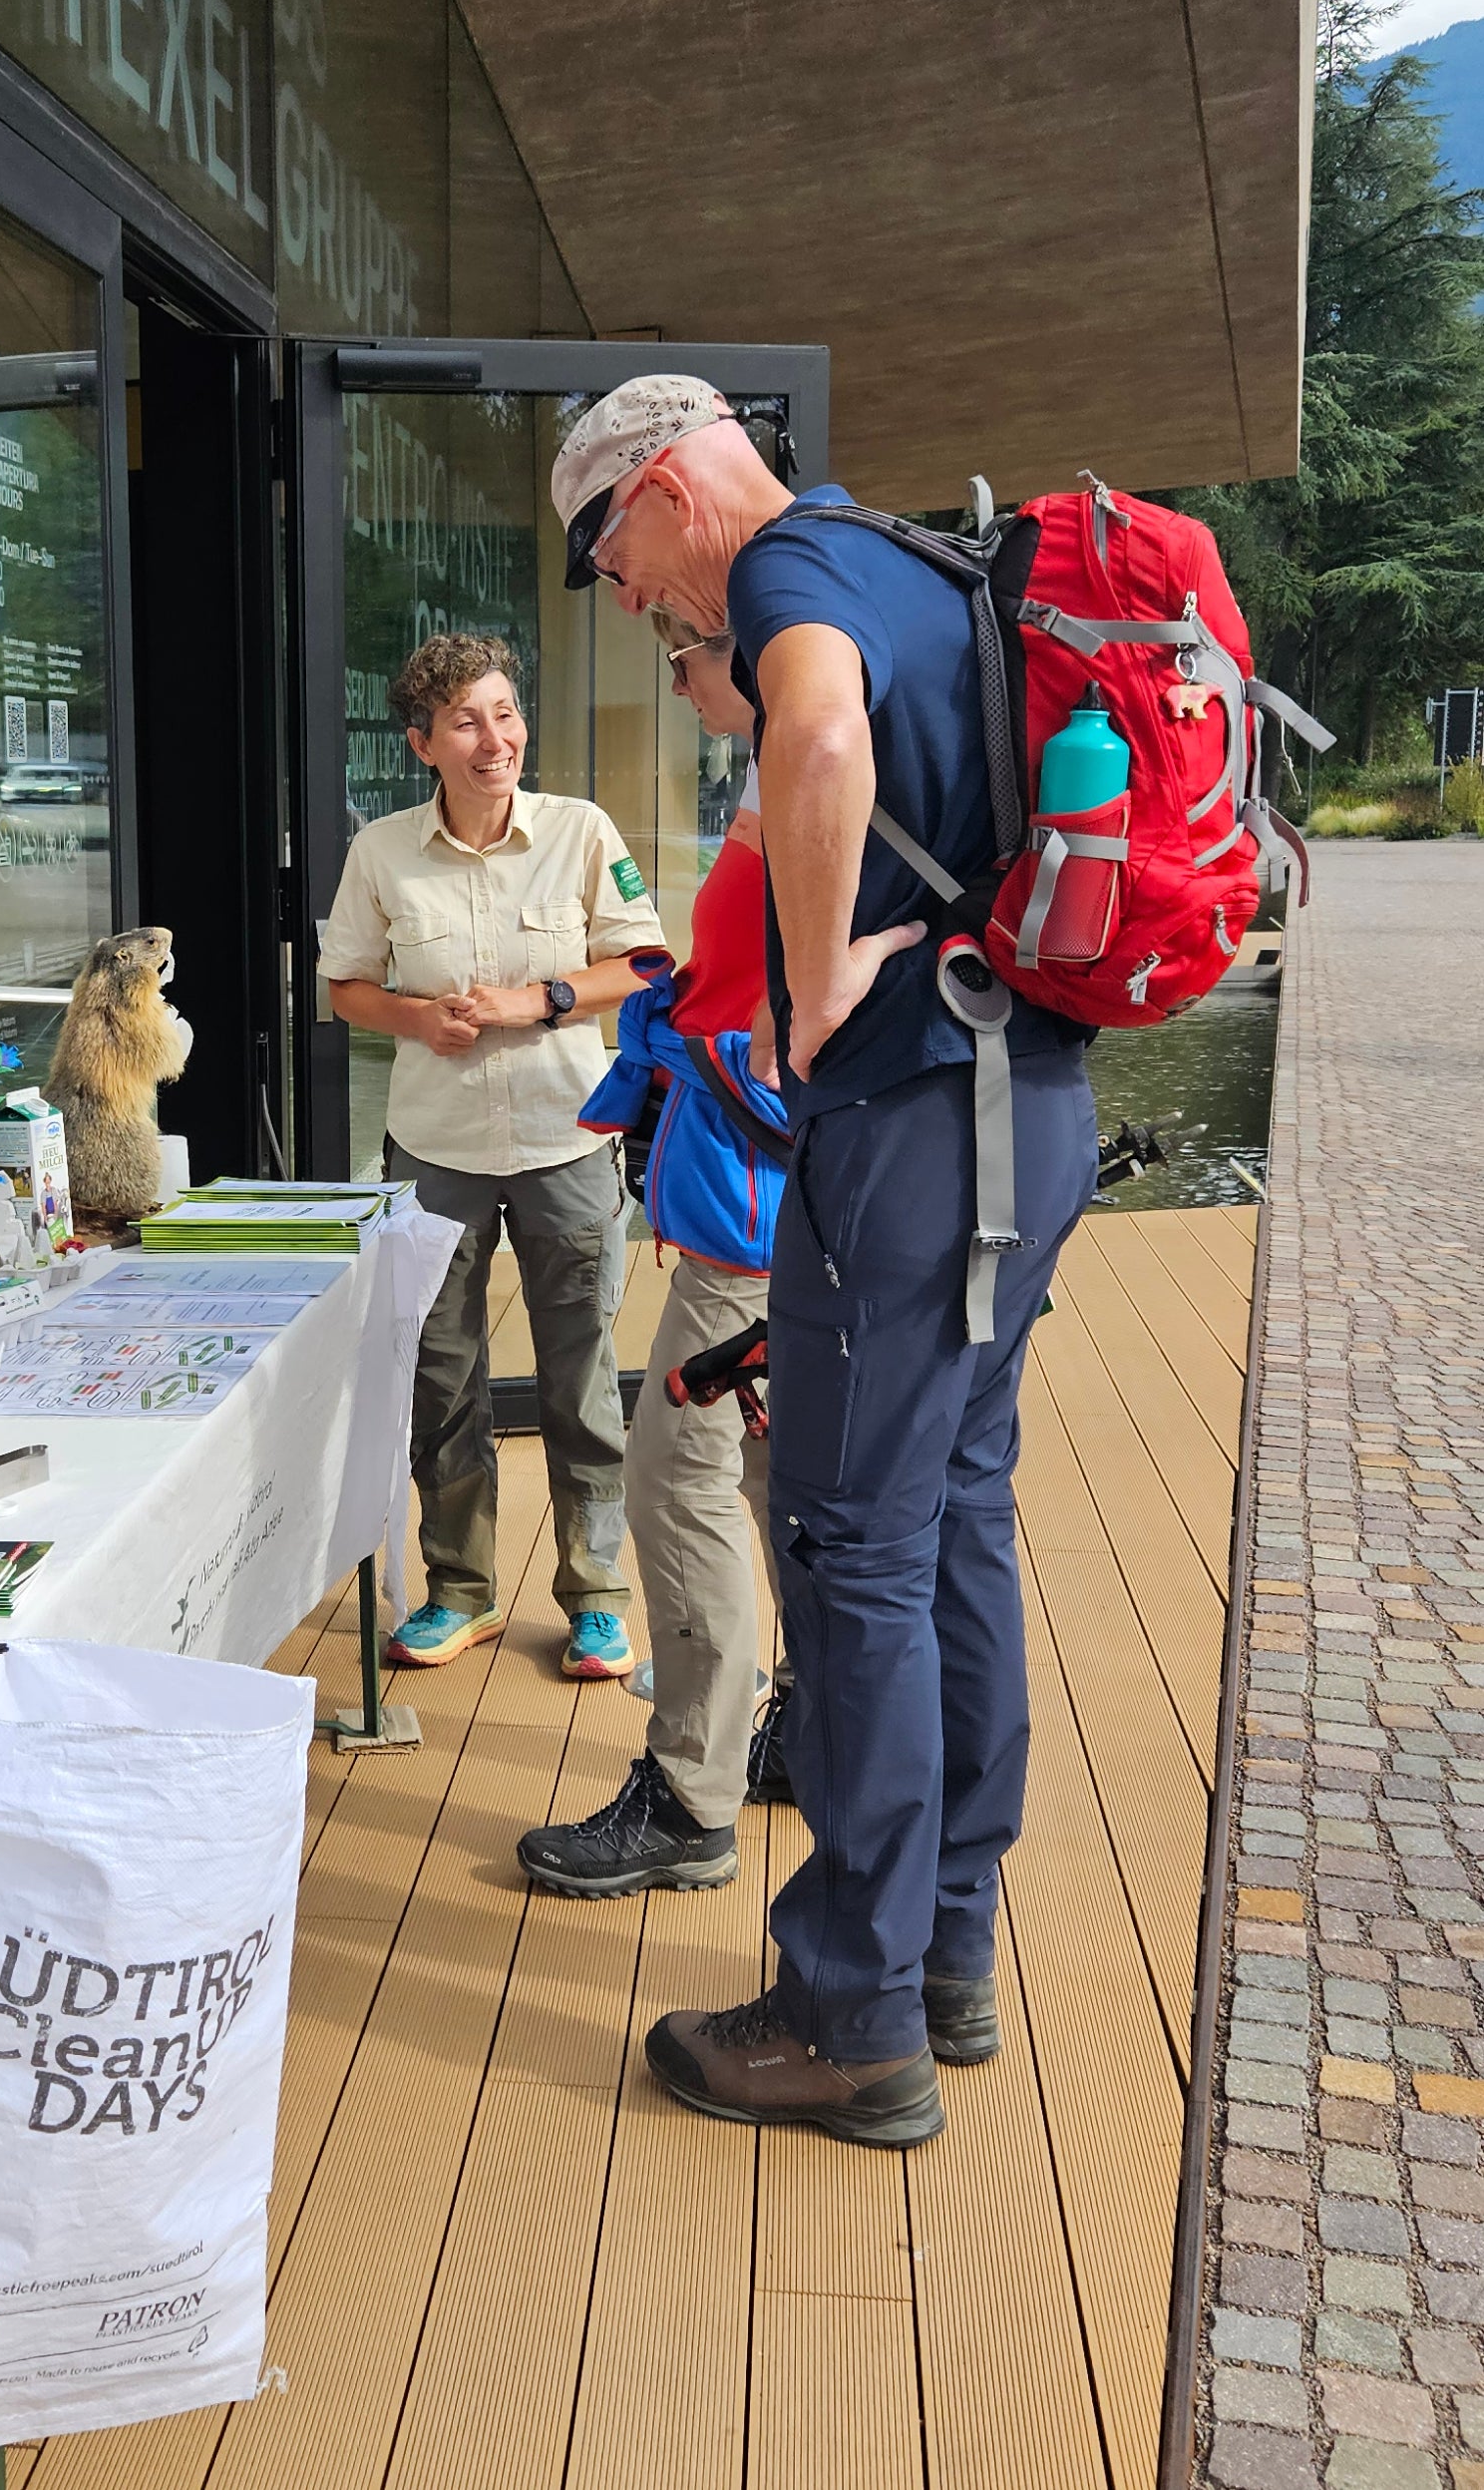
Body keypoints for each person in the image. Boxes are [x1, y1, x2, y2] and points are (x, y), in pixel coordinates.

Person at [549, 376, 1097, 2149]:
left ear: (660, 487)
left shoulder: (789, 570)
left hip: (914, 1132)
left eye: (609, 558)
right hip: (1030, 1104)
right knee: (953, 1522)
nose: (633, 604)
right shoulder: (917, 559)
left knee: (852, 1545)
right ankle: (945, 1953)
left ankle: (848, 2022)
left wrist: (805, 990)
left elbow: (820, 746)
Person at [319, 633, 665, 1681]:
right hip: (436, 1148)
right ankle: (458, 1588)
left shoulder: (579, 832)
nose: (495, 738)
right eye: (466, 720)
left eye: (505, 712)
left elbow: (646, 960)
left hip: (566, 1137)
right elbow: (344, 985)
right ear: (422, 741)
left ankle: (595, 1595)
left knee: (581, 1376)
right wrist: (416, 1020)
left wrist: (542, 998)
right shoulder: (379, 852)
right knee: (443, 1376)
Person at [518, 612, 795, 1899]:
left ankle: (691, 1797)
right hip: (777, 1226)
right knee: (782, 1488)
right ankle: (808, 1731)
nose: (674, 684)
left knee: (675, 1486)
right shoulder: (807, 756)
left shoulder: (811, 762)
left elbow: (807, 1025)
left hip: (754, 1237)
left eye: (682, 658)